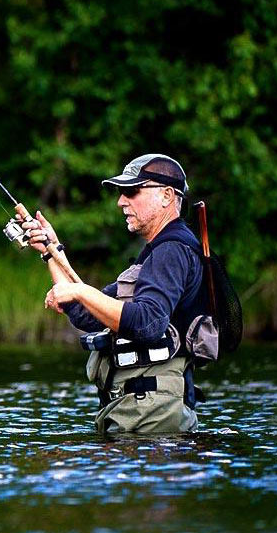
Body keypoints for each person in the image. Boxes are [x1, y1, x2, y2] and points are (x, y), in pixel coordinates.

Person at [22, 153, 205, 435]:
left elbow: (148, 322)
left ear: (167, 196)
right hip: (138, 415)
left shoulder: (172, 251)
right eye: (121, 193)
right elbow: (86, 314)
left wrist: (80, 291)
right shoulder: (155, 253)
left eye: (132, 191)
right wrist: (51, 251)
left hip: (153, 421)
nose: (121, 201)